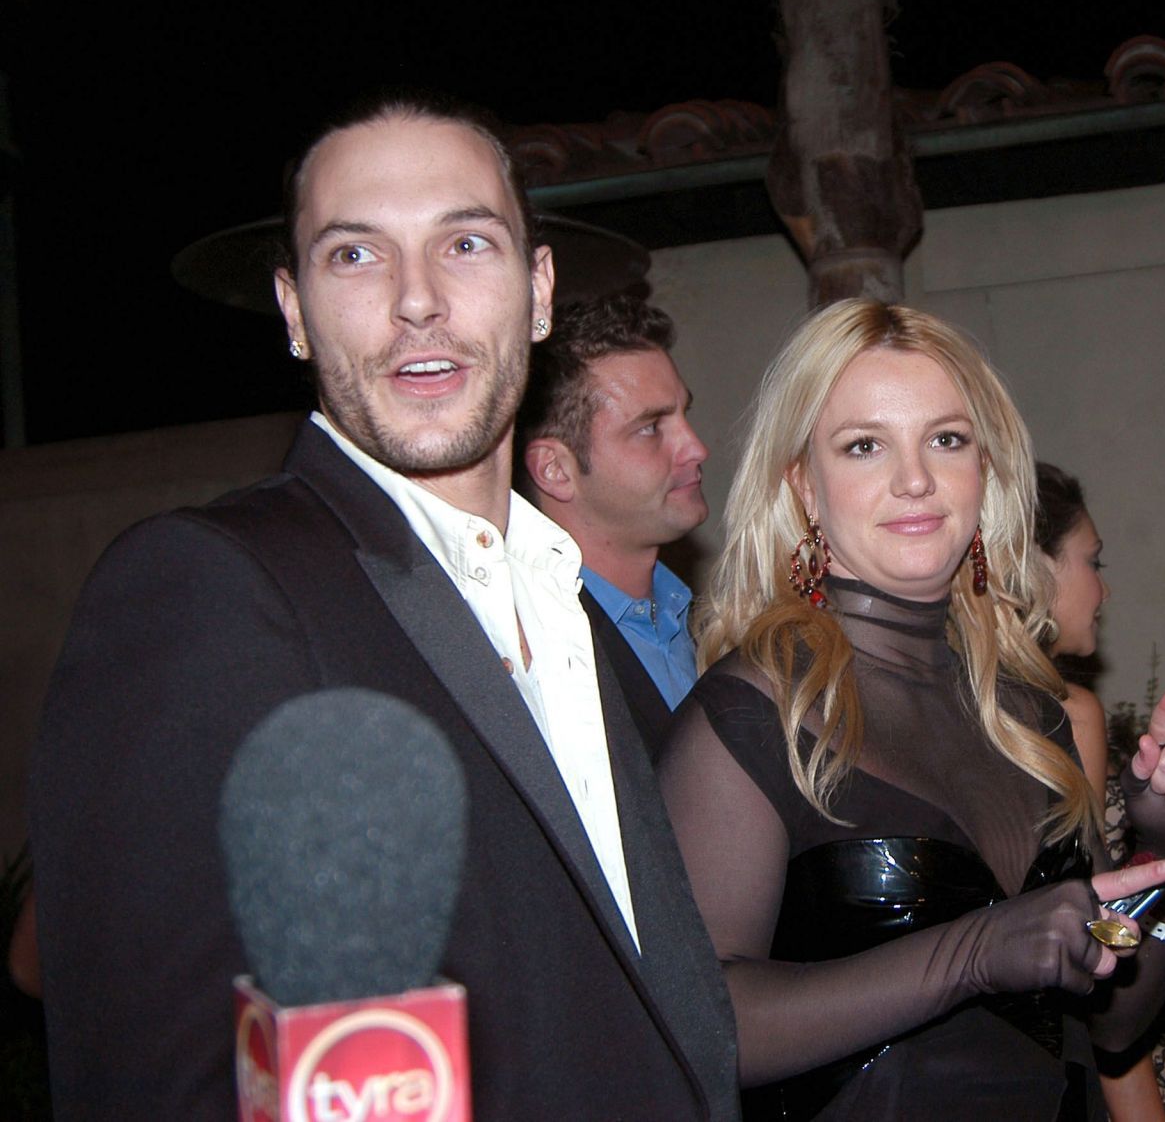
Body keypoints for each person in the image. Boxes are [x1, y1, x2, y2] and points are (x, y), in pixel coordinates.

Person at [29, 94, 737, 1119]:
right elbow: (154, 1078)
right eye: (355, 256)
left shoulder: (564, 597)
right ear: (292, 309)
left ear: (539, 292)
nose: (417, 300)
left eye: (466, 243)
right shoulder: (208, 589)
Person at [656, 300, 1165, 1120]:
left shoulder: (1027, 712)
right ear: (804, 490)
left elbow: (1112, 1026)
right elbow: (701, 1027)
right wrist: (972, 953)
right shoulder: (751, 716)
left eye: (946, 440)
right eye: (863, 446)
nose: (915, 478)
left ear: (984, 472)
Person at [1035, 463, 1165, 1122]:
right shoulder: (1068, 716)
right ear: (1033, 570)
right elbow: (1102, 950)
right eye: (1091, 562)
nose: (1102, 590)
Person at [520, 285, 710, 752]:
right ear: (555, 470)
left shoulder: (705, 626)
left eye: (684, 414)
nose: (696, 448)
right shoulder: (532, 654)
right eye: (649, 428)